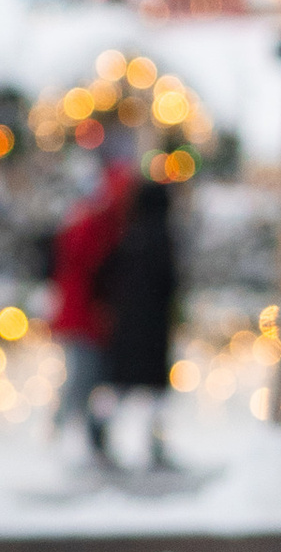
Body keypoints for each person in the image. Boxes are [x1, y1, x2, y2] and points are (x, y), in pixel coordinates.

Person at [45, 150, 132, 465]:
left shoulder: (89, 221)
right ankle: (62, 435)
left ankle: (69, 434)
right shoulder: (92, 223)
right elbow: (88, 268)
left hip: (84, 313)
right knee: (82, 377)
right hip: (84, 315)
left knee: (85, 377)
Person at [99, 163, 182, 469]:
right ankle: (154, 447)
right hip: (153, 329)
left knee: (122, 388)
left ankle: (103, 437)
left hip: (126, 327)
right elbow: (168, 283)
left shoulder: (129, 236)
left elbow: (106, 276)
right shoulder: (161, 237)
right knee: (154, 394)